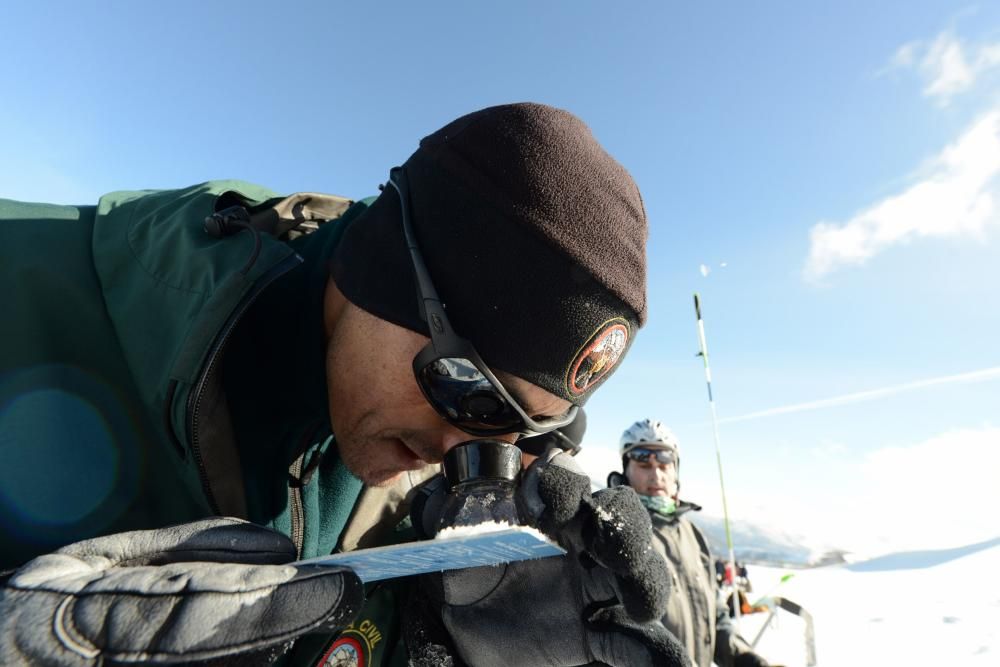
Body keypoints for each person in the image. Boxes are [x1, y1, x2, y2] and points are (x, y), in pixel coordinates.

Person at [0, 104, 688, 666]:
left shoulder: (427, 511)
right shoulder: (20, 280)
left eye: (518, 431)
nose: (457, 451)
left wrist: (415, 633)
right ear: (380, 271)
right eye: (467, 389)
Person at [609, 419, 770, 667]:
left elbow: (715, 616)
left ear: (676, 470)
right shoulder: (616, 533)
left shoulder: (693, 535)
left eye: (665, 463)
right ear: (625, 470)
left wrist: (743, 657)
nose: (656, 475)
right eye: (643, 463)